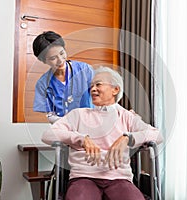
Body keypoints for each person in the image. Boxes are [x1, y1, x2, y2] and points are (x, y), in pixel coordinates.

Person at [42, 66, 163, 200]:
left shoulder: (126, 116)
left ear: (115, 89)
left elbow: (157, 135)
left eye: (98, 84)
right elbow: (48, 135)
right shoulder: (78, 115)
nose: (93, 89)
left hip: (119, 178)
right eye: (91, 86)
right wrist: (81, 139)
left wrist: (128, 138)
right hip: (84, 177)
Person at [32, 31, 94, 123]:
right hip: (63, 128)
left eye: (62, 53)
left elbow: (102, 98)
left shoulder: (85, 70)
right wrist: (66, 122)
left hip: (90, 124)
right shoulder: (43, 84)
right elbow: (50, 115)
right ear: (43, 60)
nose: (60, 60)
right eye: (53, 58)